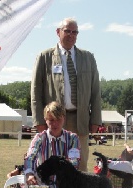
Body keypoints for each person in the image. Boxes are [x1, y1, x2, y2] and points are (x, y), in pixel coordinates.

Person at [31, 17, 101, 172]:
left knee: (80, 166)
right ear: (58, 32)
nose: (71, 35)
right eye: (67, 31)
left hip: (80, 120)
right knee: (52, 164)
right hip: (54, 121)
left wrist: (95, 119)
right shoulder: (44, 57)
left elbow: (96, 91)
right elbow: (35, 91)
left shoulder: (88, 57)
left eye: (75, 32)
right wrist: (39, 120)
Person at [24, 101, 80, 188]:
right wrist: (29, 174)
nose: (54, 124)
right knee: (27, 174)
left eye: (57, 119)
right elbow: (30, 157)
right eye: (50, 120)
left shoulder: (73, 138)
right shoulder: (39, 138)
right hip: (42, 187)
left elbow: (75, 163)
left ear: (64, 119)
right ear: (45, 119)